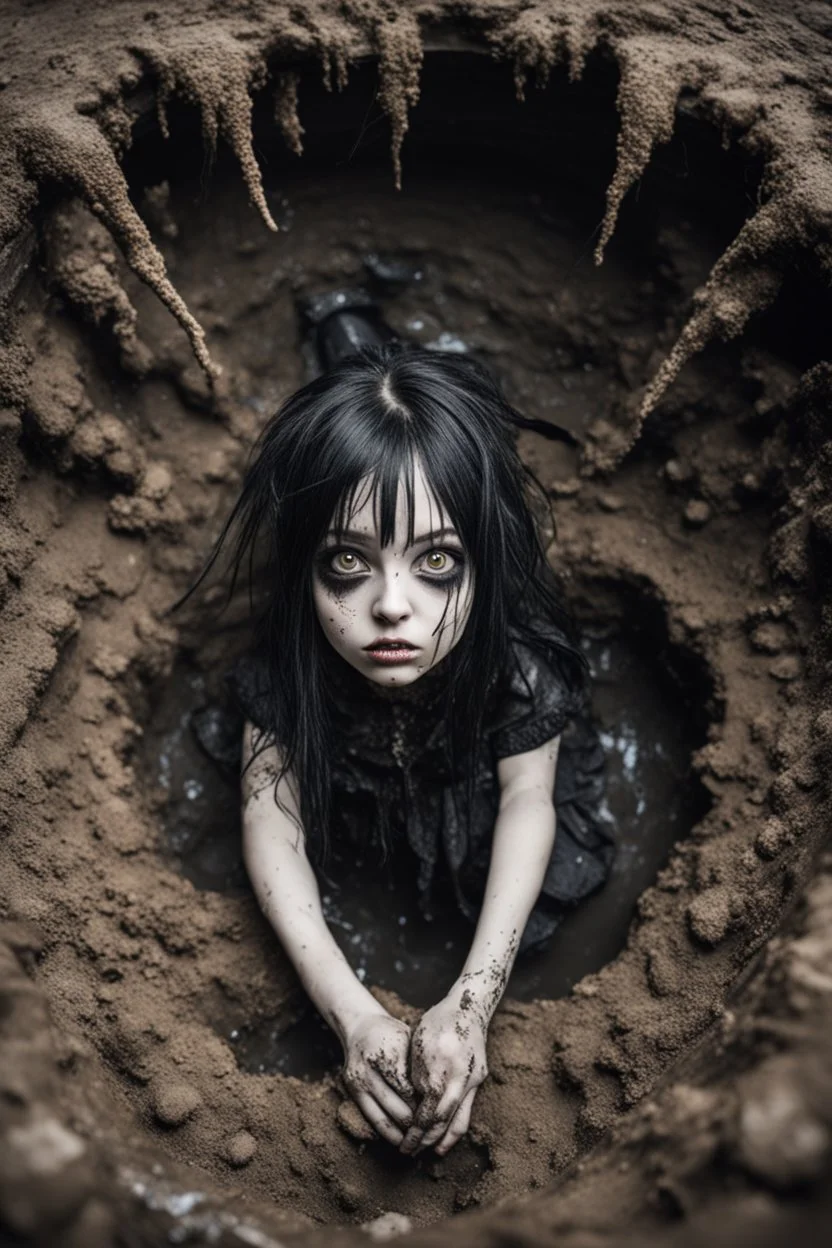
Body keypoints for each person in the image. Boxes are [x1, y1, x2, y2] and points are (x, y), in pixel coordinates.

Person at [195, 302, 614, 1157]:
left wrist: (473, 999)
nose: (392, 606)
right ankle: (348, 340)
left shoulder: (517, 663)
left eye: (437, 563)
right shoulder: (286, 666)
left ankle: (371, 347)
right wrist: (351, 1015)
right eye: (348, 561)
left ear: (480, 562)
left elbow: (529, 796)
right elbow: (269, 820)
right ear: (305, 564)